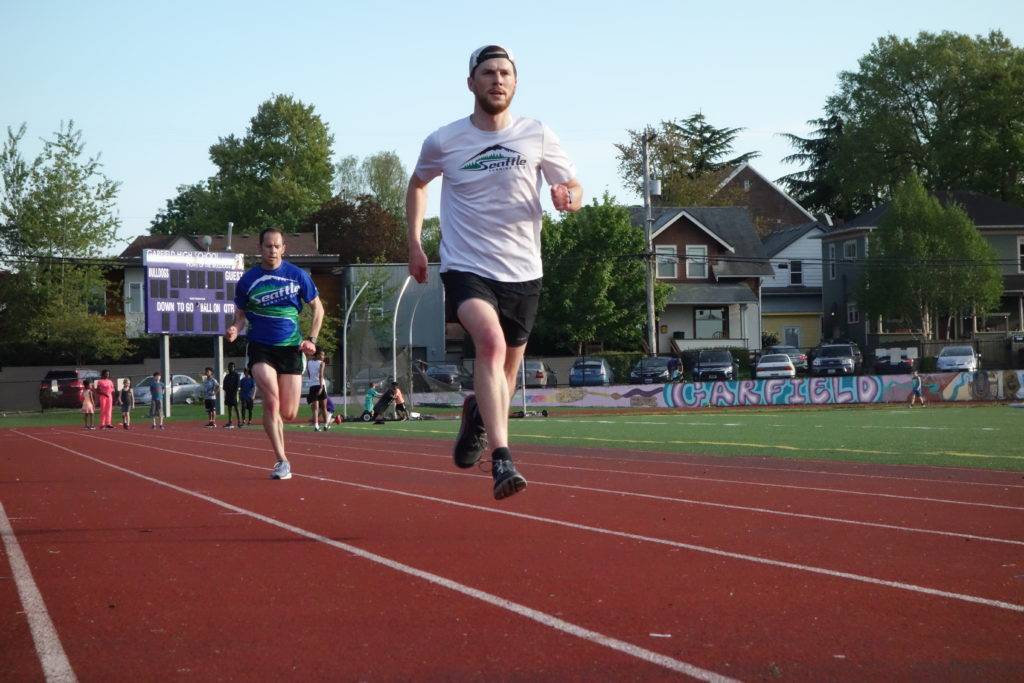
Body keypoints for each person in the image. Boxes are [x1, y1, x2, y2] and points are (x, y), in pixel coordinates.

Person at [406, 44, 582, 500]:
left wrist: (568, 196)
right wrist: (415, 243)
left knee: (506, 371)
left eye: (505, 73)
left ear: (516, 83)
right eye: (487, 73)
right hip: (466, 266)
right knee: (490, 342)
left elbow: (574, 186)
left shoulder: (537, 134)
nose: (497, 80)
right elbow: (418, 183)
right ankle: (503, 458)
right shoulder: (444, 141)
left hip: (524, 270)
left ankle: (478, 417)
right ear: (471, 83)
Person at [226, 226, 323, 480]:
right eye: (267, 246)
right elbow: (240, 315)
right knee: (271, 400)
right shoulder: (248, 280)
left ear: (283, 248)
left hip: (291, 347)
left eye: (276, 245)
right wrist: (235, 328)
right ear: (260, 248)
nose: (272, 250)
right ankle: (282, 460)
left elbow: (318, 309)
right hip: (260, 347)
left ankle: (280, 433)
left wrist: (311, 340)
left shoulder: (297, 276)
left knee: (289, 412)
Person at [305, 349, 327, 431]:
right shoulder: (322, 363)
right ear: (317, 354)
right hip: (320, 385)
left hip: (312, 386)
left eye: (323, 355)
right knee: (324, 407)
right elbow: (321, 375)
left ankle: (316, 426)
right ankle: (326, 424)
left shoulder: (309, 362)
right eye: (321, 355)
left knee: (315, 407)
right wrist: (321, 387)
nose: (323, 357)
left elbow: (309, 373)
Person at [222, 362, 241, 429]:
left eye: (232, 367)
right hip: (228, 394)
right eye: (230, 366)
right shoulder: (227, 376)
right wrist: (227, 390)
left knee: (236, 408)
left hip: (234, 394)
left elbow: (237, 385)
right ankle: (230, 421)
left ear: (234, 367)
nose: (231, 368)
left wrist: (234, 393)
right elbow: (224, 385)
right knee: (229, 408)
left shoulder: (236, 375)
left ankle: (239, 421)